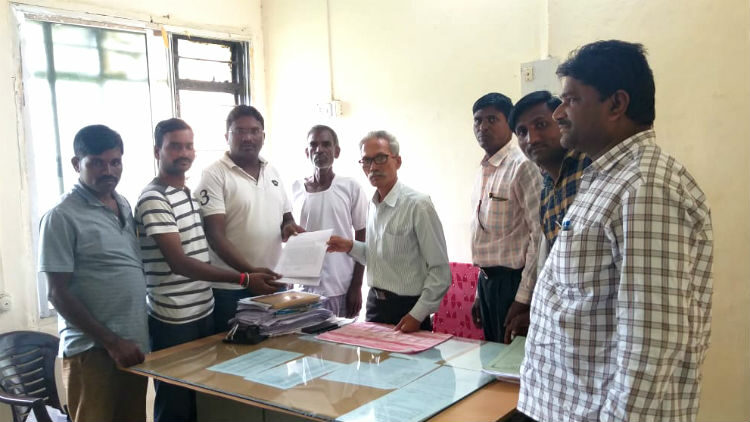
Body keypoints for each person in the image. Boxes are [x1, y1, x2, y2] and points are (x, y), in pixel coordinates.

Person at [518, 40, 713, 422]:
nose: (559, 113)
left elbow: (651, 342)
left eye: (571, 100)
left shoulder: (645, 187)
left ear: (616, 104)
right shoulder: (607, 179)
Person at [134, 118, 273, 422]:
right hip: (173, 319)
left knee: (201, 400)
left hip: (203, 312)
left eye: (188, 146)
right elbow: (180, 263)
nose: (183, 153)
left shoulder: (187, 193)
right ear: (157, 151)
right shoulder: (154, 198)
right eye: (174, 147)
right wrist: (244, 278)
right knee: (175, 404)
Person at [38, 125, 149, 422]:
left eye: (115, 162)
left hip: (132, 346)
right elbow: (57, 293)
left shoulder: (122, 203)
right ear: (77, 164)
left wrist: (124, 343)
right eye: (97, 163)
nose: (108, 171)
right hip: (92, 351)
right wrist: (112, 342)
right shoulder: (61, 216)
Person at [327, 130, 450, 333]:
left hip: (408, 309)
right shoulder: (373, 205)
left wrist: (417, 314)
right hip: (375, 305)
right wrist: (350, 246)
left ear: (397, 161)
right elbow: (379, 258)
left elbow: (440, 271)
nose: (373, 167)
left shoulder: (418, 205)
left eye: (381, 158)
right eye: (367, 161)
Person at [196, 105, 302, 333]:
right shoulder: (214, 174)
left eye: (254, 131)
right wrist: (250, 274)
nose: (247, 137)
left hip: (272, 283)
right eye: (239, 131)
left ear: (263, 136)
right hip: (232, 288)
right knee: (233, 351)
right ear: (227, 137)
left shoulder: (272, 171)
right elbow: (215, 236)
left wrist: (289, 227)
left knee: (276, 347)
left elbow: (286, 216)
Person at [504, 90, 592, 343]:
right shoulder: (547, 187)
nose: (531, 138)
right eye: (522, 132)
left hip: (597, 323)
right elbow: (552, 260)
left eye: (541, 125)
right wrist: (536, 310)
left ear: (563, 121)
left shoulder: (591, 170)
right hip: (566, 323)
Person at [469, 92, 543, 343]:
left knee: (512, 359)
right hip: (488, 285)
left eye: (492, 119)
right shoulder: (483, 170)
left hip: (514, 284)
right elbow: (484, 237)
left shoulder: (523, 165)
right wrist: (479, 293)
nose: (483, 127)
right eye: (478, 120)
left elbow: (539, 235)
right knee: (493, 358)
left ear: (509, 125)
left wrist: (523, 298)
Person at [292, 125, 367, 318]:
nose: (319, 150)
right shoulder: (296, 188)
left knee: (340, 338)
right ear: (307, 152)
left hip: (340, 286)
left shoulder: (350, 187)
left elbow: (362, 237)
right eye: (313, 145)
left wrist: (357, 286)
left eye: (326, 144)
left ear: (337, 151)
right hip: (304, 288)